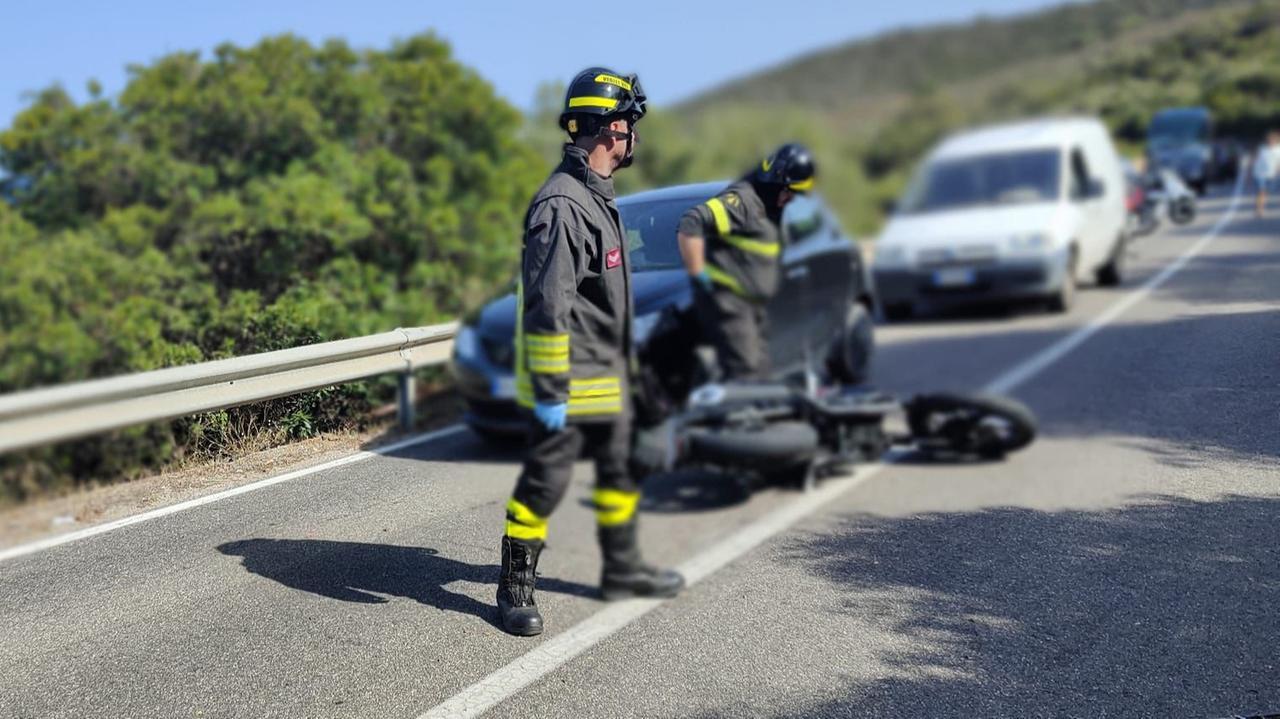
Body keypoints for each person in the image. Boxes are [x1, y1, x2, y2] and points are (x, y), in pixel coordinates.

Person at [497, 67, 684, 637]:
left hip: (607, 374)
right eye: (628, 122)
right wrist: (552, 392)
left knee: (621, 472)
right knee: (545, 484)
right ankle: (514, 587)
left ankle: (624, 569)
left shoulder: (597, 197)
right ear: (608, 130)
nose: (633, 134)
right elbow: (548, 308)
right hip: (569, 380)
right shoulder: (563, 205)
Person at [676, 143, 817, 380]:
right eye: (790, 192)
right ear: (776, 181)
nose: (791, 199)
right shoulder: (743, 202)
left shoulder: (770, 207)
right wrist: (697, 271)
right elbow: (691, 223)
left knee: (762, 373)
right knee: (745, 372)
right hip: (730, 303)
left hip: (752, 306)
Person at [1252, 131, 1280, 218]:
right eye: (1269, 140)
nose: (1271, 141)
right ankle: (1259, 209)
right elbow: (1254, 160)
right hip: (1259, 174)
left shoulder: (1278, 150)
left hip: (1271, 175)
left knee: (1265, 193)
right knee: (1261, 192)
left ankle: (1260, 206)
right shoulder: (1262, 149)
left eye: (1272, 140)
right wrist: (1249, 174)